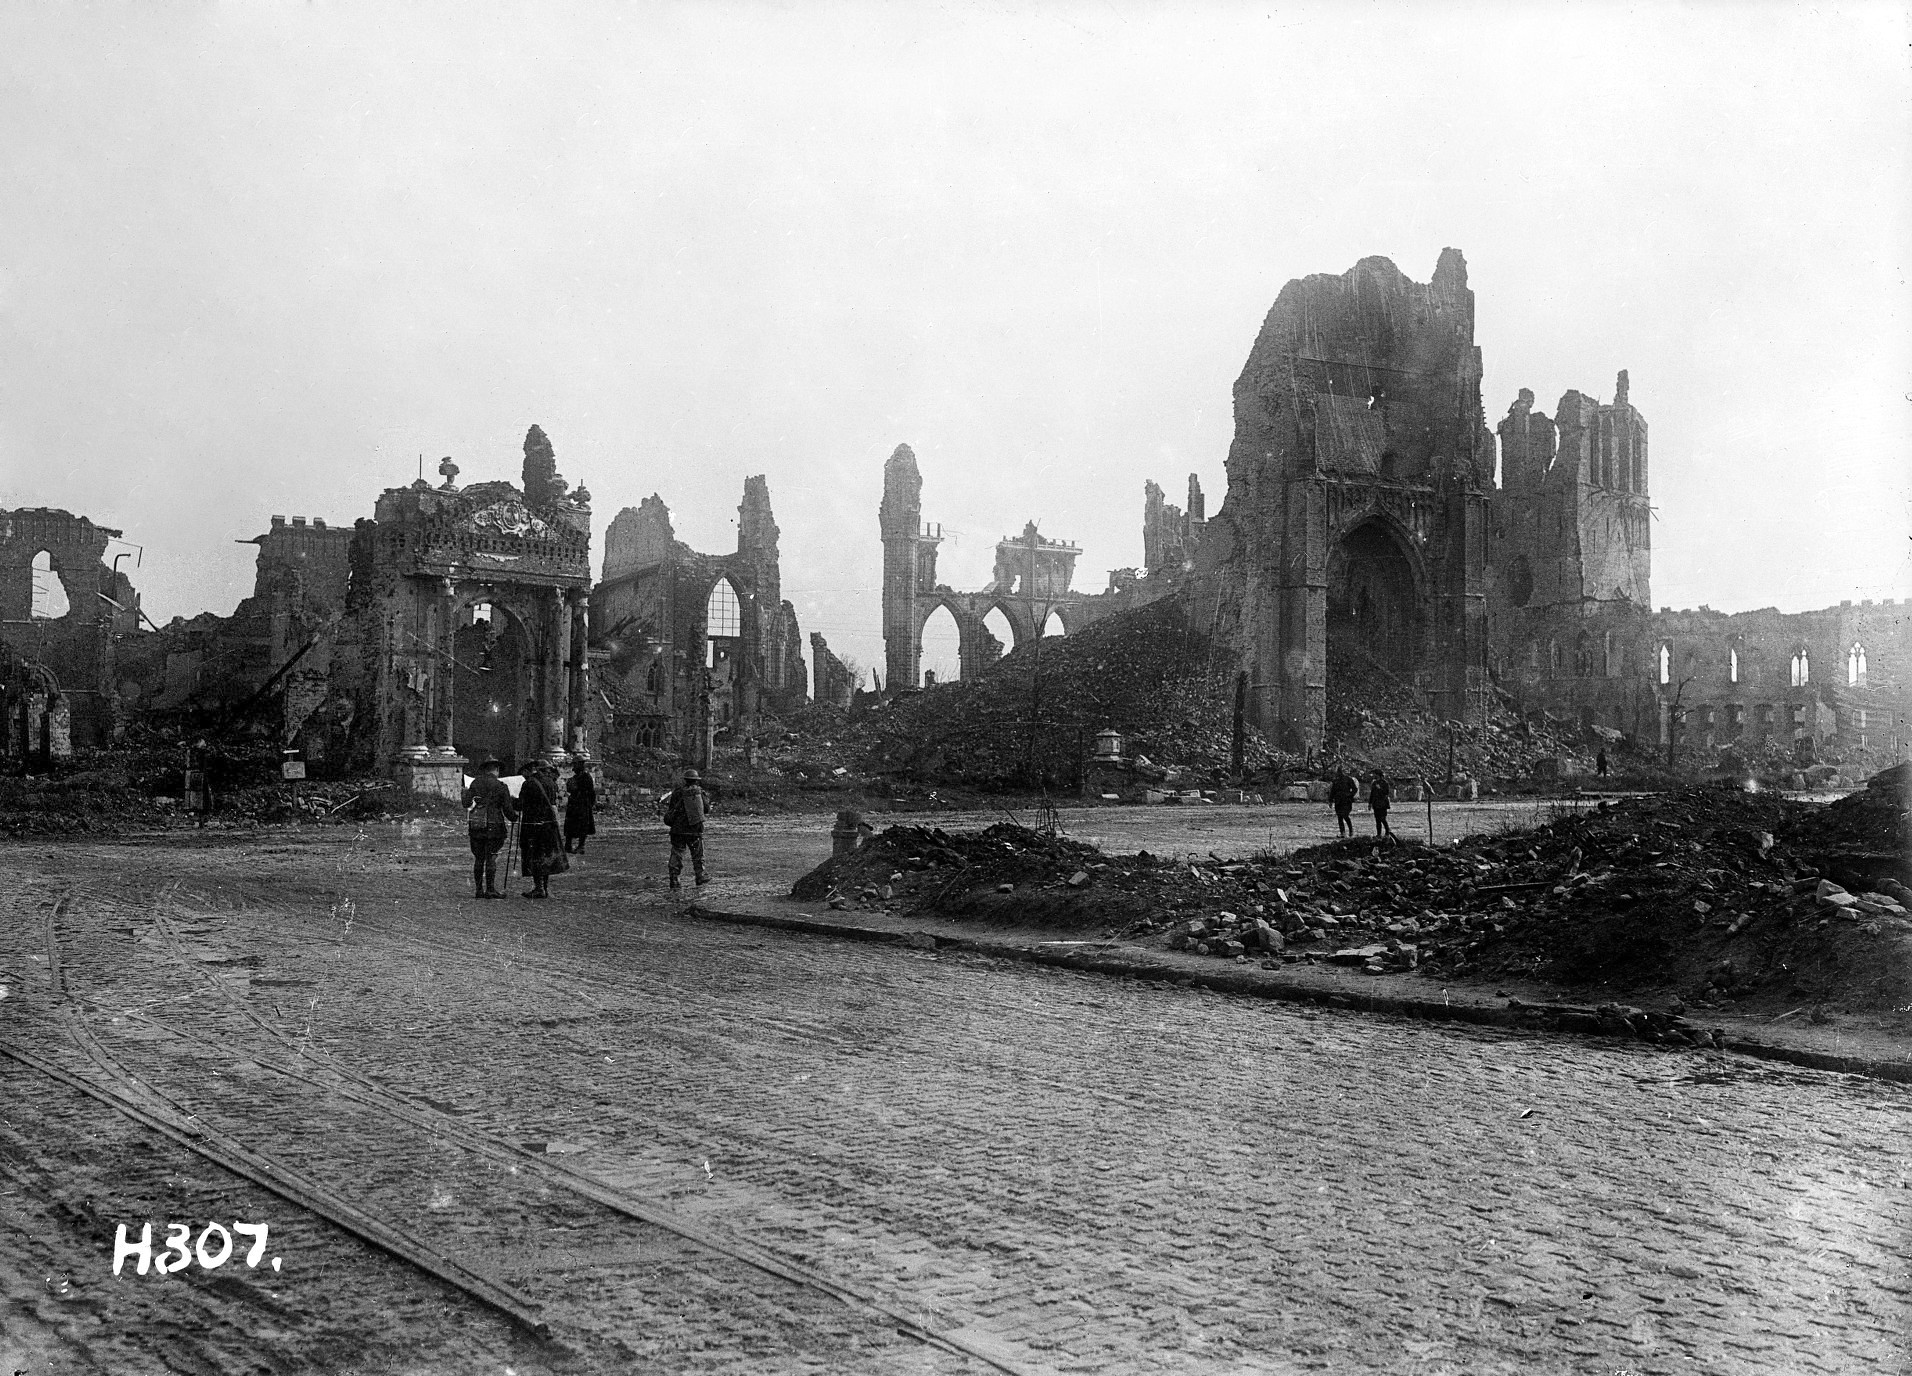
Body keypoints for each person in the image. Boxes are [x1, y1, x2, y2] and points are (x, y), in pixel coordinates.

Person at [461, 756, 517, 899]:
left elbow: (466, 803)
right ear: (496, 769)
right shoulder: (501, 786)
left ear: (485, 769)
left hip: (477, 825)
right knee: (491, 857)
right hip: (494, 826)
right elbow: (508, 810)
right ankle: (490, 889)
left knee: (479, 858)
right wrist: (515, 817)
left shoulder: (475, 783)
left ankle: (479, 890)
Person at [516, 761, 565, 899]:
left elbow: (521, 805)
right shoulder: (551, 783)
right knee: (546, 855)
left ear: (536, 770)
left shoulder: (529, 784)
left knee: (535, 855)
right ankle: (545, 887)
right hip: (548, 825)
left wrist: (512, 801)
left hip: (533, 825)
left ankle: (538, 888)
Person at [662, 767, 711, 890]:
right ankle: (700, 875)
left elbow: (671, 809)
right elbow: (706, 809)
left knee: (677, 853)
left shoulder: (677, 793)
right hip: (694, 829)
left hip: (677, 830)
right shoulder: (700, 792)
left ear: (685, 780)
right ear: (696, 780)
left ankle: (674, 878)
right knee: (698, 854)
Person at [563, 758, 597, 854]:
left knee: (583, 826)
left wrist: (590, 804)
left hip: (582, 804)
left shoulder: (586, 777)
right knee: (570, 825)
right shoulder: (575, 777)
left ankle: (581, 846)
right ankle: (568, 845)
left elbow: (590, 792)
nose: (574, 767)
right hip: (574, 804)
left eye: (576, 765)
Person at [1328, 767, 1358, 838]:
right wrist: (1330, 800)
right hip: (1338, 801)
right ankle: (1342, 832)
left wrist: (1350, 795)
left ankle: (1351, 831)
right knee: (1339, 817)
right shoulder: (1336, 781)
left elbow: (1355, 789)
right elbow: (1333, 791)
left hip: (1346, 801)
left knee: (1345, 815)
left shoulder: (1348, 779)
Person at [1368, 770, 1395, 841]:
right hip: (1376, 803)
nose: (1375, 776)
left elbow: (1386, 793)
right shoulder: (1374, 783)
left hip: (1383, 803)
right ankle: (1379, 834)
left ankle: (1387, 831)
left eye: (1376, 775)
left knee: (1383, 818)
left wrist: (1380, 788)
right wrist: (1370, 803)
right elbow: (1372, 794)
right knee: (1377, 820)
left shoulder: (1385, 783)